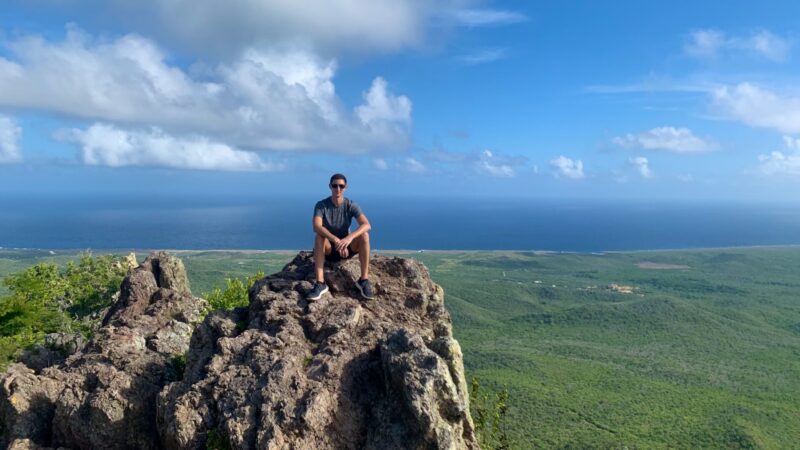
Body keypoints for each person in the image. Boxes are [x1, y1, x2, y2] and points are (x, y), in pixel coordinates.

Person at [307, 173, 374, 300]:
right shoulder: (321, 205)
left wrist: (348, 239)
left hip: (346, 248)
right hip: (329, 250)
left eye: (341, 186)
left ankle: (363, 280)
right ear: (330, 187)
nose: (338, 189)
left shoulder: (350, 205)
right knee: (319, 237)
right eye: (335, 185)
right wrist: (336, 240)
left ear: (345, 187)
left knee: (364, 236)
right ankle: (320, 283)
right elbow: (317, 227)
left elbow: (367, 225)